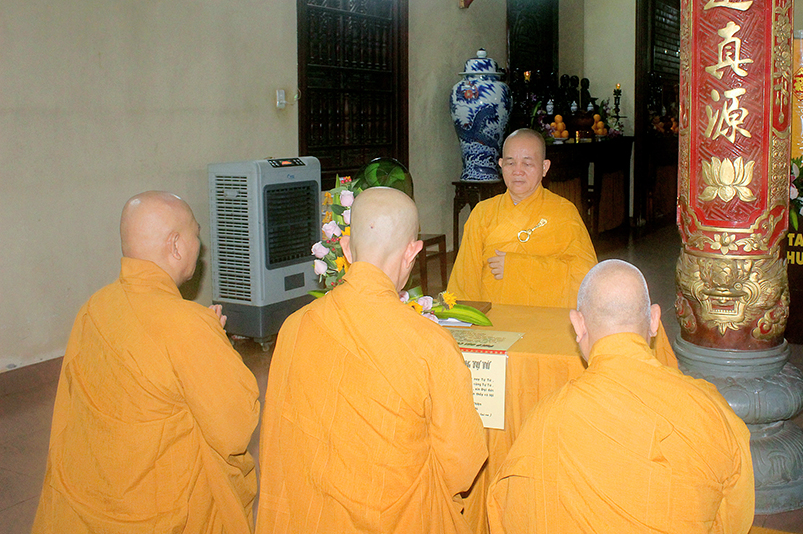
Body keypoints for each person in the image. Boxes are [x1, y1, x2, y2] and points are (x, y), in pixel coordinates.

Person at [256, 187, 487, 534]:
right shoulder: (429, 344)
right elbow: (463, 461)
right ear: (412, 252)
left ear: (346, 249)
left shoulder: (295, 326)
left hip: (309, 517)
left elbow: (278, 438)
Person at [33, 191, 260, 534]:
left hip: (92, 496)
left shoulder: (94, 307)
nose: (199, 246)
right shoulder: (187, 324)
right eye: (196, 234)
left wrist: (204, 337)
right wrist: (215, 344)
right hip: (160, 510)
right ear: (175, 245)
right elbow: (235, 426)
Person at [487, 260, 754, 534]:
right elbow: (735, 518)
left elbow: (510, 514)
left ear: (578, 325)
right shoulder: (710, 410)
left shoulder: (546, 420)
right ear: (654, 320)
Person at [447, 128, 597, 308]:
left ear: (544, 167)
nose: (518, 171)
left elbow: (585, 278)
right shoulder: (482, 213)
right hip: (494, 319)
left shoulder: (564, 213)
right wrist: (466, 318)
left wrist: (517, 266)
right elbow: (465, 279)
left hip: (545, 320)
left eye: (527, 163)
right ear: (501, 165)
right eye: (510, 163)